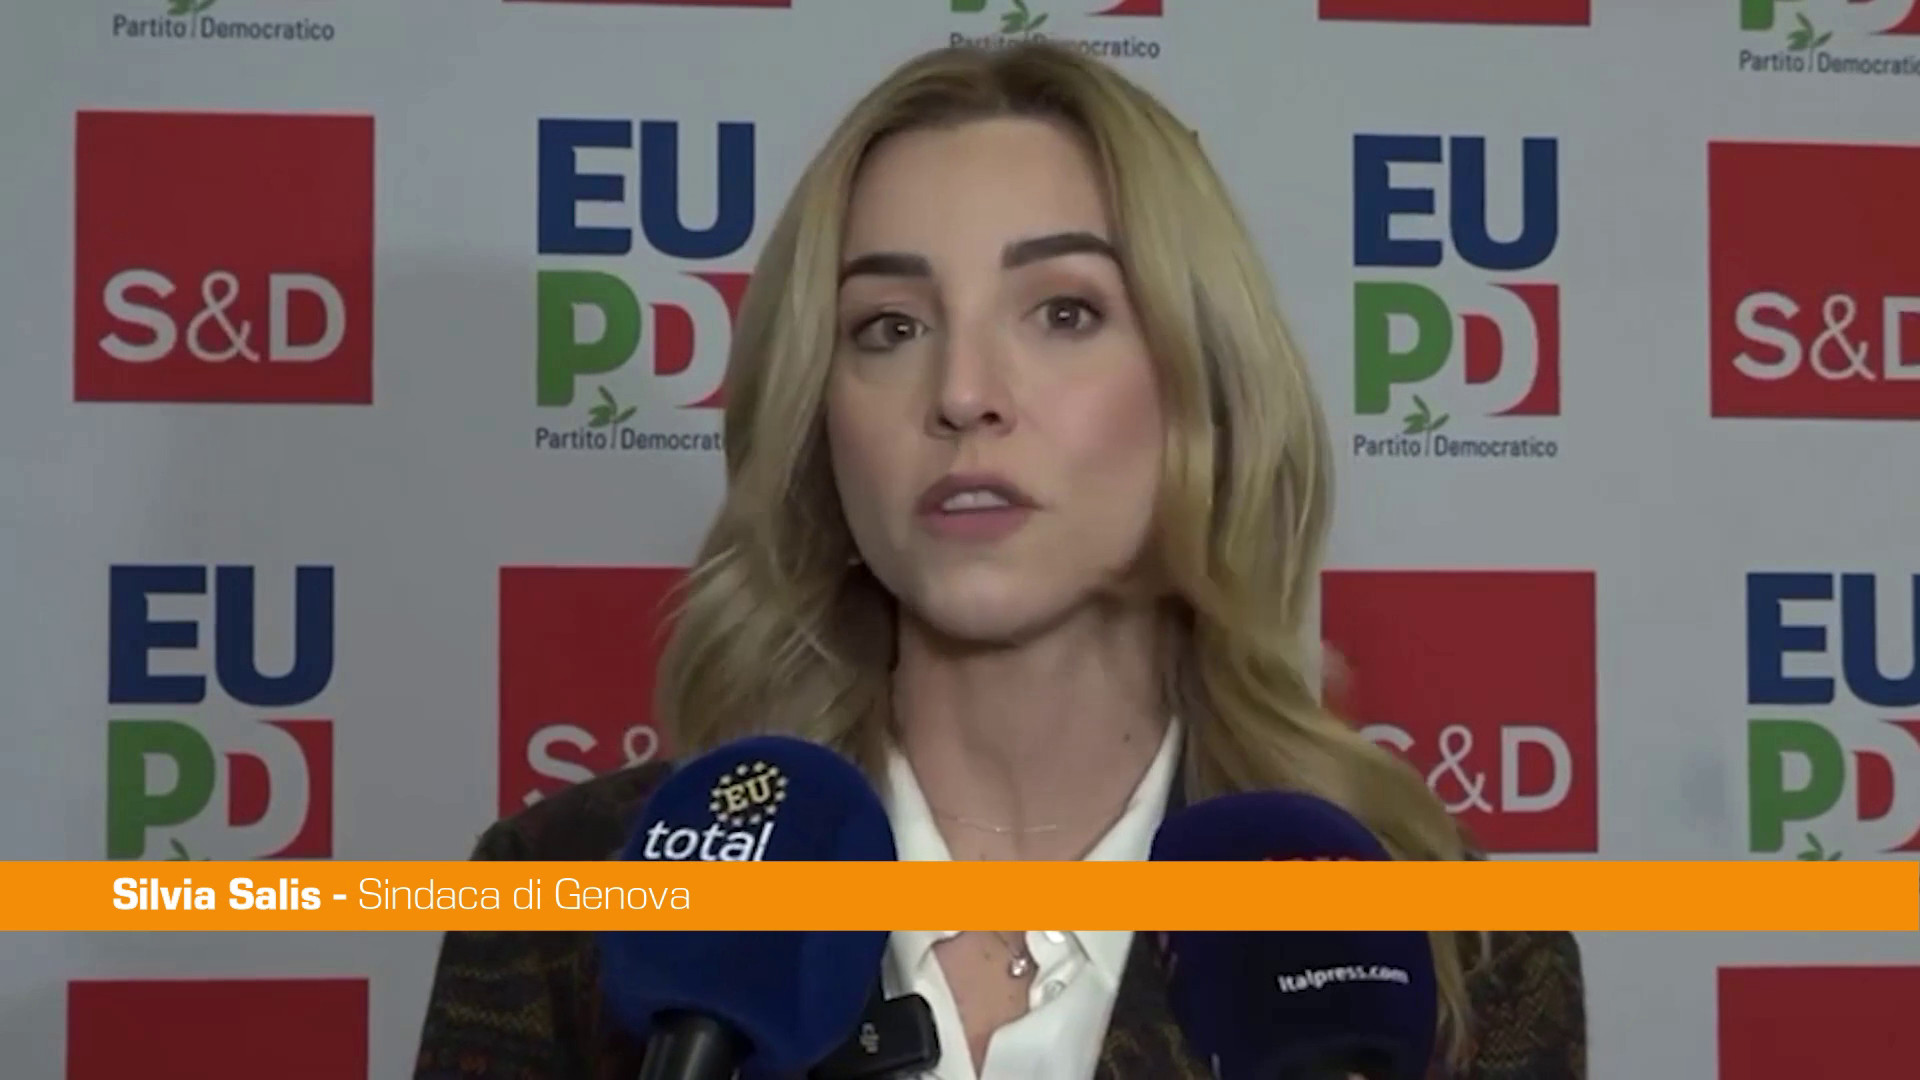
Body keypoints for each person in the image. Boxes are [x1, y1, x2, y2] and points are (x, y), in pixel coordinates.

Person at [413, 41, 1586, 1080]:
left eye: (1063, 312)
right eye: (889, 327)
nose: (965, 393)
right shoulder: (565, 910)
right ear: (817, 418)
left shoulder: (1459, 953)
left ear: (1205, 390)